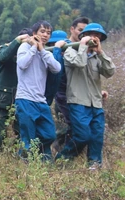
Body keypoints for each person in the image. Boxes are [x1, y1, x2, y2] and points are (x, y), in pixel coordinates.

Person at [56, 23, 116, 169]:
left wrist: (100, 53)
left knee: (96, 137)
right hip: (78, 102)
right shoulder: (70, 51)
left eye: (98, 37)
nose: (95, 39)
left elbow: (110, 71)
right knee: (82, 136)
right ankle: (62, 159)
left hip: (96, 103)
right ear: (83, 36)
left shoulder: (97, 56)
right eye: (92, 35)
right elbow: (80, 63)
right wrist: (83, 46)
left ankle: (94, 165)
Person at [15, 20, 61, 160]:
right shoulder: (24, 47)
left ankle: (30, 155)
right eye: (42, 32)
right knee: (28, 136)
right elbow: (22, 64)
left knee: (49, 134)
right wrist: (34, 47)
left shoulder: (46, 53)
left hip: (41, 101)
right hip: (25, 99)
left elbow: (57, 68)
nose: (46, 35)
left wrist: (41, 50)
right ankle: (28, 164)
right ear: (34, 33)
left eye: (48, 33)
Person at [0, 28, 32, 156]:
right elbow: (4, 56)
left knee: (22, 132)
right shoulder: (6, 49)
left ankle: (17, 157)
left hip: (20, 100)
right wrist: (17, 41)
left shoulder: (32, 54)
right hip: (0, 100)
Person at [54, 17, 89, 127]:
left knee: (80, 130)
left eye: (85, 32)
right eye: (80, 30)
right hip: (63, 94)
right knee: (65, 128)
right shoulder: (63, 46)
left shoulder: (84, 49)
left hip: (81, 96)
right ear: (72, 29)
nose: (82, 34)